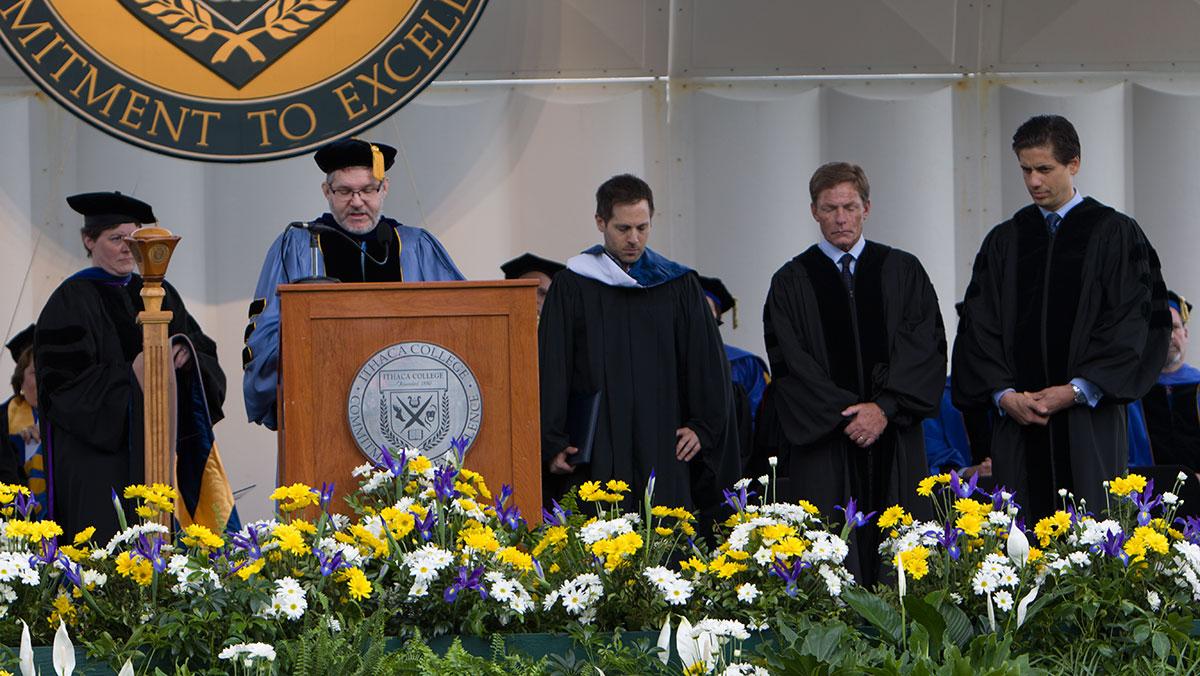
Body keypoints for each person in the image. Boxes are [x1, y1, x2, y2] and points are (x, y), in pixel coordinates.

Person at [952, 115, 1170, 521]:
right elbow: (979, 327)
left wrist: (1076, 390)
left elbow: (1133, 325)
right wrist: (1003, 394)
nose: (1034, 181)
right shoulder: (1006, 240)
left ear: (1074, 164)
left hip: (1088, 422)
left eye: (1044, 169)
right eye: (1025, 170)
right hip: (1019, 423)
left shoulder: (1117, 234)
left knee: (1091, 533)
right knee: (1020, 542)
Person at [762, 162, 946, 584]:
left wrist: (884, 408)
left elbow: (926, 347)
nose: (840, 218)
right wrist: (850, 415)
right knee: (831, 559)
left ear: (867, 207)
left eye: (849, 206)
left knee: (898, 557)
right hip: (829, 442)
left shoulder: (903, 271)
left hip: (893, 437)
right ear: (814, 211)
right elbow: (790, 363)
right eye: (830, 208)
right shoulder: (791, 281)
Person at [35, 192, 236, 541]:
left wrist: (187, 358)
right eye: (116, 239)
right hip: (99, 460)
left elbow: (203, 352)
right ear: (88, 240)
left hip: (162, 455)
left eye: (135, 238)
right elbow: (62, 388)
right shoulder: (71, 299)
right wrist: (133, 377)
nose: (129, 248)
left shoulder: (161, 292)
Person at [538, 174, 740, 514]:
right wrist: (553, 441)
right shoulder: (574, 285)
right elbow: (552, 366)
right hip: (598, 447)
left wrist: (702, 427)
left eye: (642, 228)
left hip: (664, 442)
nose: (634, 239)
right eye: (623, 228)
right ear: (600, 222)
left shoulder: (678, 285)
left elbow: (706, 364)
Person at [243, 138, 464, 429]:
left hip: (409, 408)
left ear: (384, 189)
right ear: (327, 192)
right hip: (321, 410)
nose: (357, 201)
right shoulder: (296, 245)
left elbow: (460, 323)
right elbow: (266, 330)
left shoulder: (415, 246)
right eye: (345, 191)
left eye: (368, 190)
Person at [1127, 291, 1200, 470]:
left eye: (1174, 327)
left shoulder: (1197, 384)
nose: (1169, 336)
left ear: (1186, 333)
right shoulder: (1132, 392)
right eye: (1161, 328)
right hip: (1147, 492)